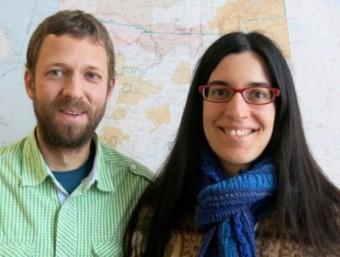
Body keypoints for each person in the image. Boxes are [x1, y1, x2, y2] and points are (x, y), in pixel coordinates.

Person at [124, 31, 340, 257]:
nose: (237, 111)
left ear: (281, 107)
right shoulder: (155, 215)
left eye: (257, 93)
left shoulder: (329, 223)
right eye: (220, 91)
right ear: (200, 106)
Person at [0, 10, 152, 256]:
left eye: (91, 76)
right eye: (57, 72)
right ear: (30, 82)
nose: (74, 92)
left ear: (109, 89)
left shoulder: (144, 196)